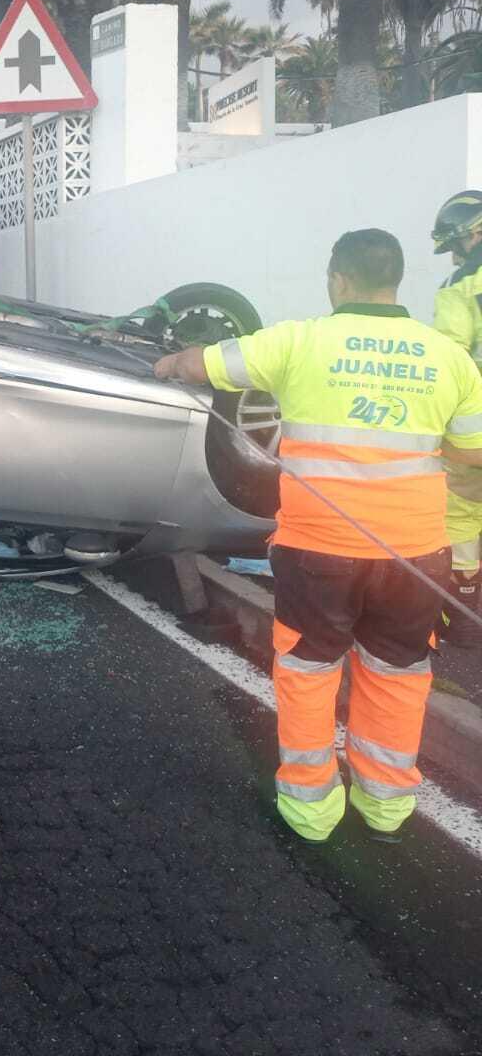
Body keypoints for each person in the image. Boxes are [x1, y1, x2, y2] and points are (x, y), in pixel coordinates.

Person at [154, 228, 482, 845]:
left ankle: (311, 810)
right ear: (397, 280)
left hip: (319, 550)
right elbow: (473, 450)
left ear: (337, 279)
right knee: (398, 673)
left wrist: (168, 362)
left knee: (309, 669)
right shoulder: (446, 355)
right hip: (414, 556)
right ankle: (386, 807)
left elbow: (209, 363)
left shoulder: (300, 340)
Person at [430, 189, 482, 653]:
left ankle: (462, 617)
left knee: (462, 514)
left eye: (456, 244)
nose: (455, 255)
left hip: (476, 432)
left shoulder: (462, 285)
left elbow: (451, 356)